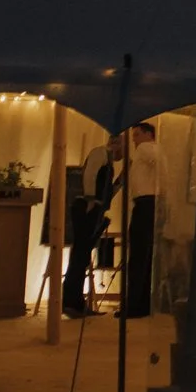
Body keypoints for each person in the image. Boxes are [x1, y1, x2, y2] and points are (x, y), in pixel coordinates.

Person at [64, 132, 120, 318]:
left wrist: (121, 181)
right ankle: (71, 302)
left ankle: (75, 302)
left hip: (94, 208)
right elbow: (90, 173)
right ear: (116, 143)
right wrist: (90, 199)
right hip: (86, 208)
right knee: (80, 254)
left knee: (82, 255)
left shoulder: (110, 162)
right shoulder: (100, 152)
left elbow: (107, 191)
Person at [121, 122, 159, 321]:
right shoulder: (155, 150)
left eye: (136, 135)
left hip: (145, 204)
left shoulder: (146, 149)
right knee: (145, 256)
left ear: (147, 134)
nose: (134, 139)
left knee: (137, 256)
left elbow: (158, 166)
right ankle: (142, 303)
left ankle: (134, 306)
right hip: (151, 204)